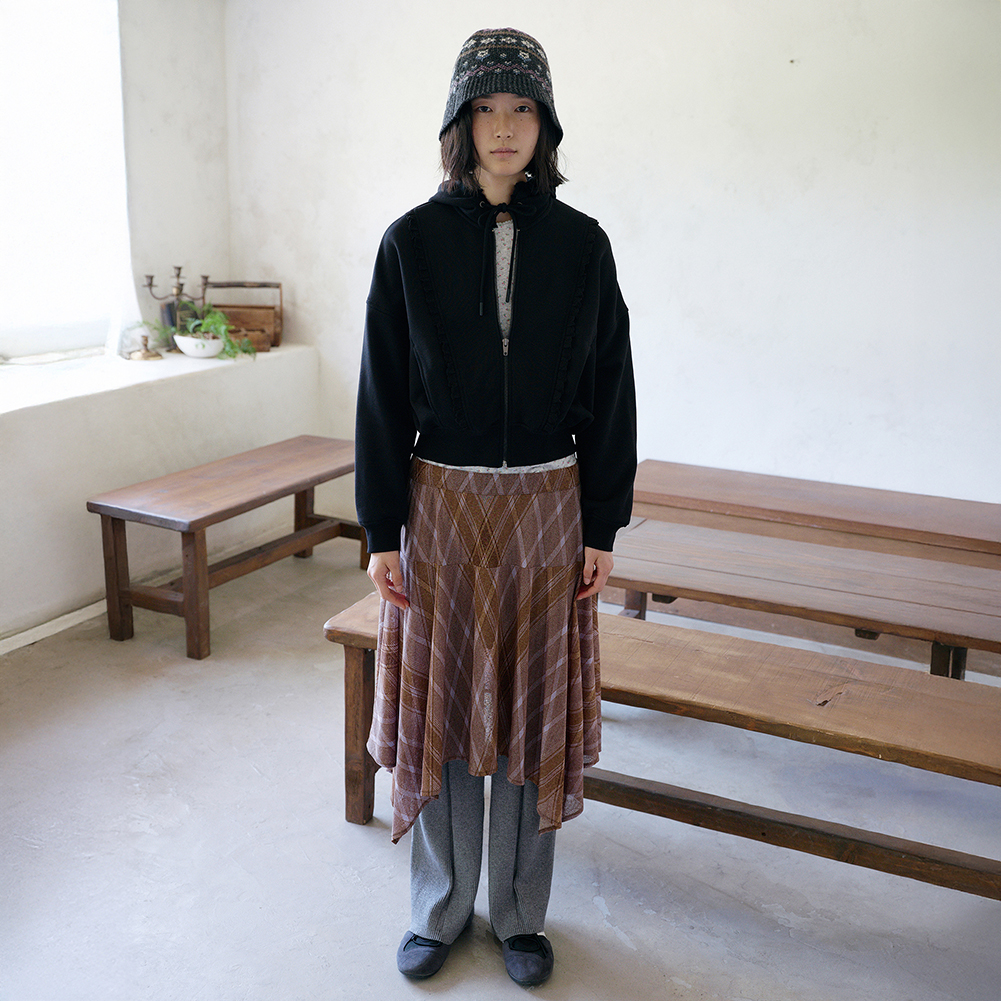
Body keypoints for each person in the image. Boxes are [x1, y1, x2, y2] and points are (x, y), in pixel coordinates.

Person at [354, 27, 636, 987]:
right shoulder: (410, 241)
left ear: (544, 122)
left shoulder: (583, 243)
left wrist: (602, 521)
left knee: (527, 714)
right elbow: (381, 393)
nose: (504, 127)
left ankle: (519, 914)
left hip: (549, 506)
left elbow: (611, 384)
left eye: (521, 108)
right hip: (440, 503)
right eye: (486, 108)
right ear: (459, 122)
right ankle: (438, 907)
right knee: (442, 710)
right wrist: (379, 527)